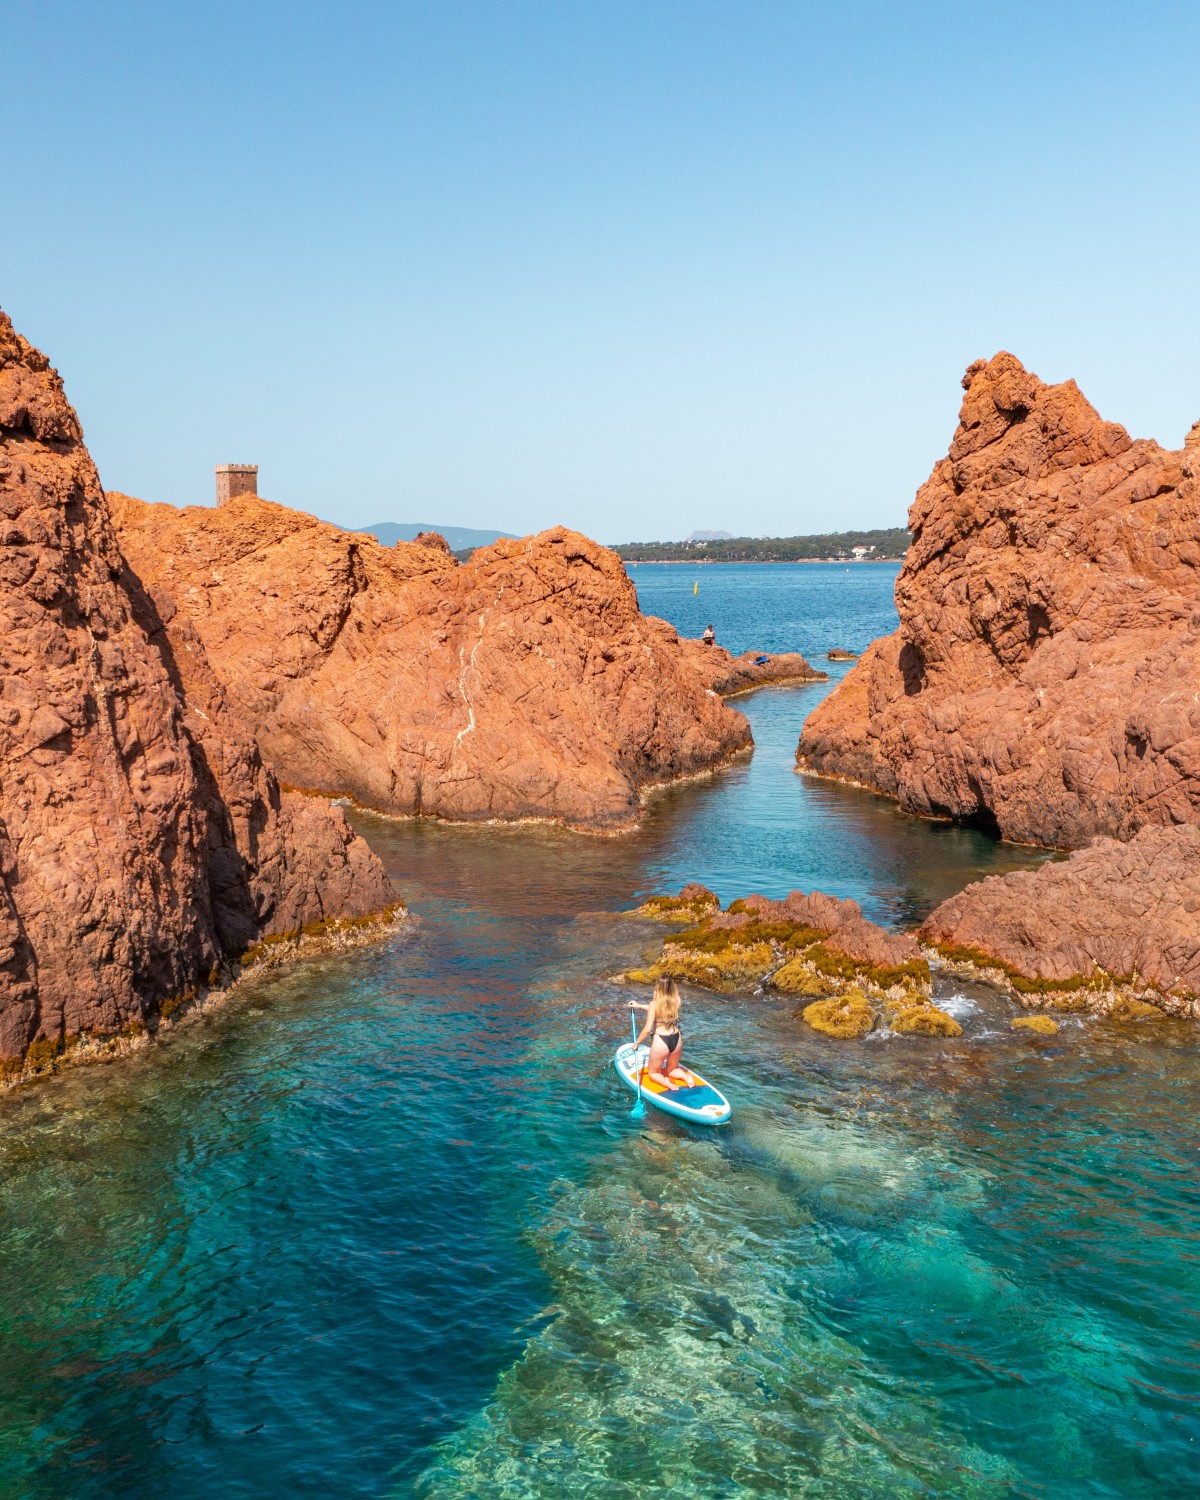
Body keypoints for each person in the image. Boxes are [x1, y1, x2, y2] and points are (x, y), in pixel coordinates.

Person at [629, 977, 688, 1089]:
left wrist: (637, 1043)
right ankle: (686, 1077)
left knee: (653, 1073)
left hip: (661, 1041)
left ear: (657, 988)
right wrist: (639, 1006)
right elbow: (661, 1010)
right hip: (677, 1038)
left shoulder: (654, 1004)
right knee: (672, 1070)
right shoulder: (676, 1001)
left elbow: (647, 1029)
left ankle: (666, 1082)